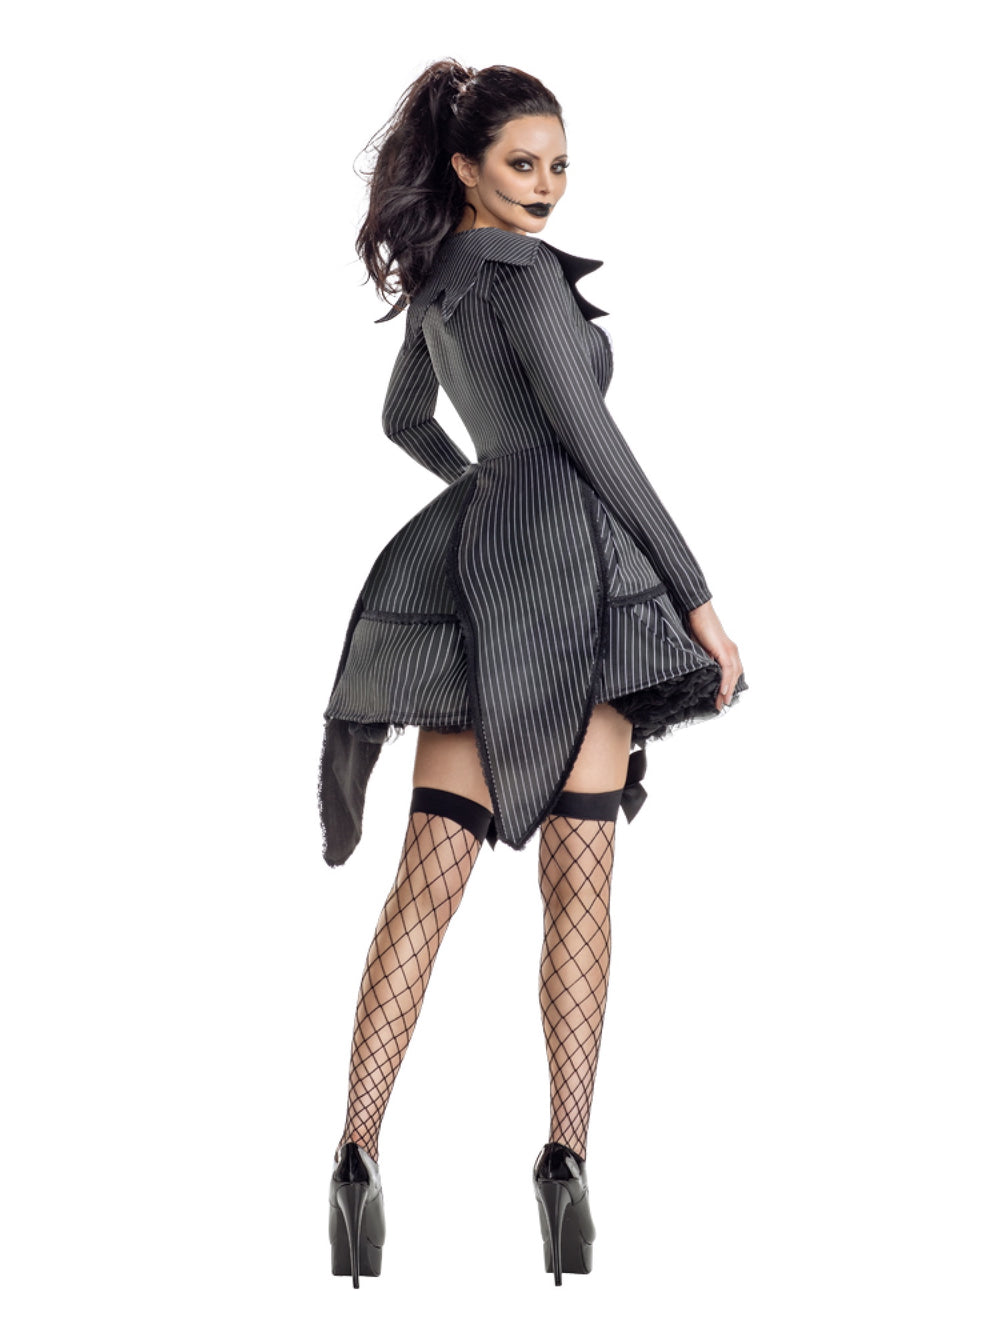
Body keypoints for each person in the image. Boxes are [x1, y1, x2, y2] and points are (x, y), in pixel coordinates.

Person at [321, 59, 748, 1286]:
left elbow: (405, 420)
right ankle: (564, 1164)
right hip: (575, 583)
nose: (548, 185)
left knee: (425, 883)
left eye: (560, 165)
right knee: (580, 885)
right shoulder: (522, 277)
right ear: (466, 166)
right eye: (523, 163)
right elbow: (596, 441)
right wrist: (697, 598)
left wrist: (482, 491)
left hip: (477, 580)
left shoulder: (440, 280)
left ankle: (354, 1158)